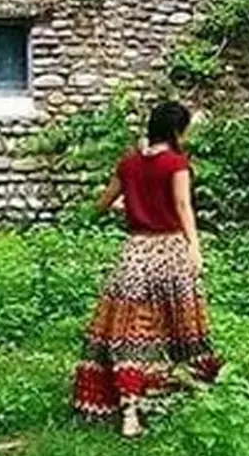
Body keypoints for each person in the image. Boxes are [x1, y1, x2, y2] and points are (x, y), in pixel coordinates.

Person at [70, 101, 222, 437]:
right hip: (170, 251)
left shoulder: (128, 165)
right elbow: (183, 206)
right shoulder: (177, 164)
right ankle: (180, 392)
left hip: (135, 254)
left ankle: (129, 413)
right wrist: (195, 247)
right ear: (176, 131)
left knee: (129, 333)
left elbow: (102, 203)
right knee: (180, 327)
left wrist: (128, 203)